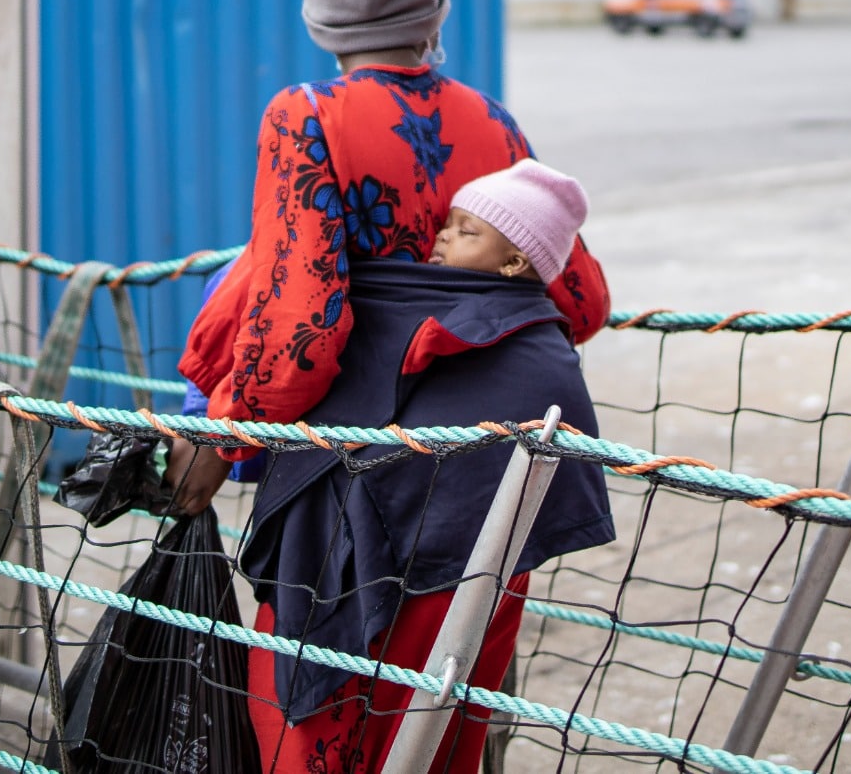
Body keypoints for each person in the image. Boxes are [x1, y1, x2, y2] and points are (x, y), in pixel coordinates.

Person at [173, 0, 610, 509]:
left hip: (350, 465)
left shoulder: (307, 115)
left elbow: (299, 329)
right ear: (435, 6)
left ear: (320, 13)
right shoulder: (493, 122)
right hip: (492, 464)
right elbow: (581, 304)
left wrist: (227, 433)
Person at [236, 157, 614, 771]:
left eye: (469, 231)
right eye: (449, 222)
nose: (442, 235)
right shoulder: (391, 302)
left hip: (455, 587)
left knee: (421, 721)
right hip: (343, 555)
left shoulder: (539, 357)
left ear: (516, 261)